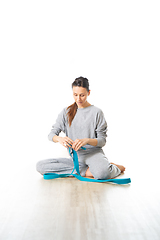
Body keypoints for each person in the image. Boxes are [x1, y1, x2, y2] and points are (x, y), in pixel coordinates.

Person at [36, 77, 125, 180]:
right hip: (76, 158)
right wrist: (60, 139)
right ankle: (90, 170)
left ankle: (112, 168)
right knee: (40, 166)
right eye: (75, 95)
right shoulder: (66, 112)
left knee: (102, 174)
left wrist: (87, 140)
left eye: (82, 95)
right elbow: (51, 135)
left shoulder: (97, 112)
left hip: (94, 154)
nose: (78, 99)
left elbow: (102, 141)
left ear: (89, 93)